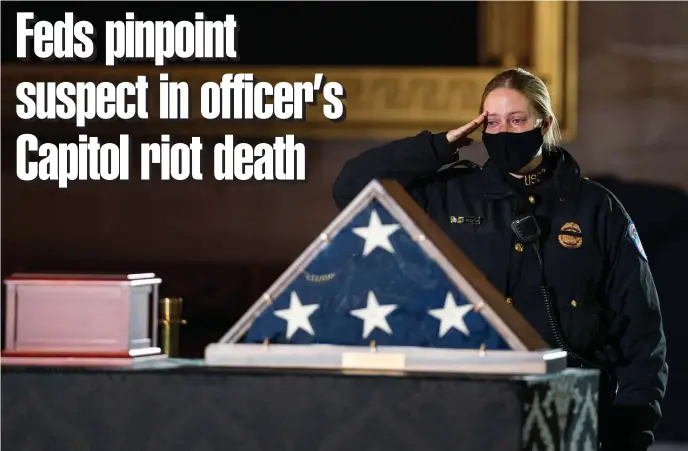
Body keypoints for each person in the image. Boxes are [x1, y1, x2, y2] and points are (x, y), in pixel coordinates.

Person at [332, 68, 668, 451]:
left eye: (516, 120)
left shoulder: (596, 209)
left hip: (567, 416)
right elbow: (350, 188)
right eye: (493, 122)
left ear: (544, 125)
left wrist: (633, 433)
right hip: (466, 415)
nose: (504, 132)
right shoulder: (450, 196)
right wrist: (439, 146)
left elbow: (642, 333)